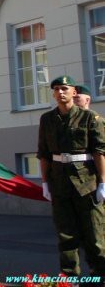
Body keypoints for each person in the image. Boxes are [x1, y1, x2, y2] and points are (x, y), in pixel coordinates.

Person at [37, 76, 105, 278]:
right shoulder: (47, 119)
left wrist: (103, 182)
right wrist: (44, 183)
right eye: (56, 89)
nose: (60, 92)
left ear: (74, 92)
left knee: (94, 235)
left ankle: (98, 276)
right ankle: (70, 278)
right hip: (60, 182)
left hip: (87, 183)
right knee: (66, 235)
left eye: (65, 88)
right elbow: (43, 153)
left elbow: (99, 152)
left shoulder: (90, 118)